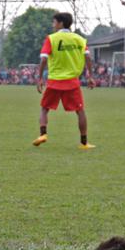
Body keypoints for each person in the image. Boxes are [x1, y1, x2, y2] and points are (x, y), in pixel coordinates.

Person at [33, 12, 95, 150]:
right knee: (80, 111)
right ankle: (84, 143)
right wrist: (90, 76)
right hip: (72, 82)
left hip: (54, 81)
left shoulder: (51, 39)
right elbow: (88, 58)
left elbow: (43, 59)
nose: (53, 25)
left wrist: (40, 78)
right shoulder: (79, 39)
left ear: (61, 23)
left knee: (44, 109)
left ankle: (43, 134)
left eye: (54, 22)